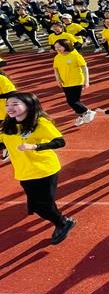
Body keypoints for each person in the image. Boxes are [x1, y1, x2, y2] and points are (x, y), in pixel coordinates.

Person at [0, 92, 75, 244]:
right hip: (24, 171)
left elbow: (60, 142)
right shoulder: (8, 124)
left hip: (44, 170)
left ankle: (63, 223)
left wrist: (35, 146)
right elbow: (3, 141)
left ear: (28, 105)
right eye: (7, 105)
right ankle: (58, 218)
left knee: (43, 205)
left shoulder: (40, 123)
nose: (9, 108)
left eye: (15, 104)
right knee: (37, 205)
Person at [52, 38, 96, 126]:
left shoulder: (75, 55)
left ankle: (87, 112)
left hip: (76, 81)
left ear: (65, 46)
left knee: (72, 101)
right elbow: (56, 69)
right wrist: (58, 79)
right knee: (74, 101)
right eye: (55, 47)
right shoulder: (57, 57)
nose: (57, 49)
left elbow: (84, 68)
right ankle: (82, 115)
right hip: (65, 82)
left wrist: (86, 80)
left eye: (59, 47)